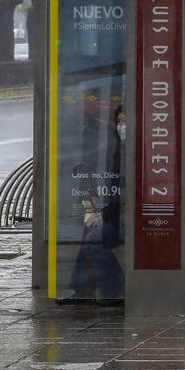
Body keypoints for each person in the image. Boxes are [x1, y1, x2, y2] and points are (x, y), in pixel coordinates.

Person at [68, 105, 125, 302]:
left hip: (125, 219)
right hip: (117, 215)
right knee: (89, 237)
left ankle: (114, 291)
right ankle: (81, 289)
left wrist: (103, 215)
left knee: (94, 239)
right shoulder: (118, 149)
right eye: (119, 122)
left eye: (126, 122)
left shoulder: (133, 151)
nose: (122, 126)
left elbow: (126, 197)